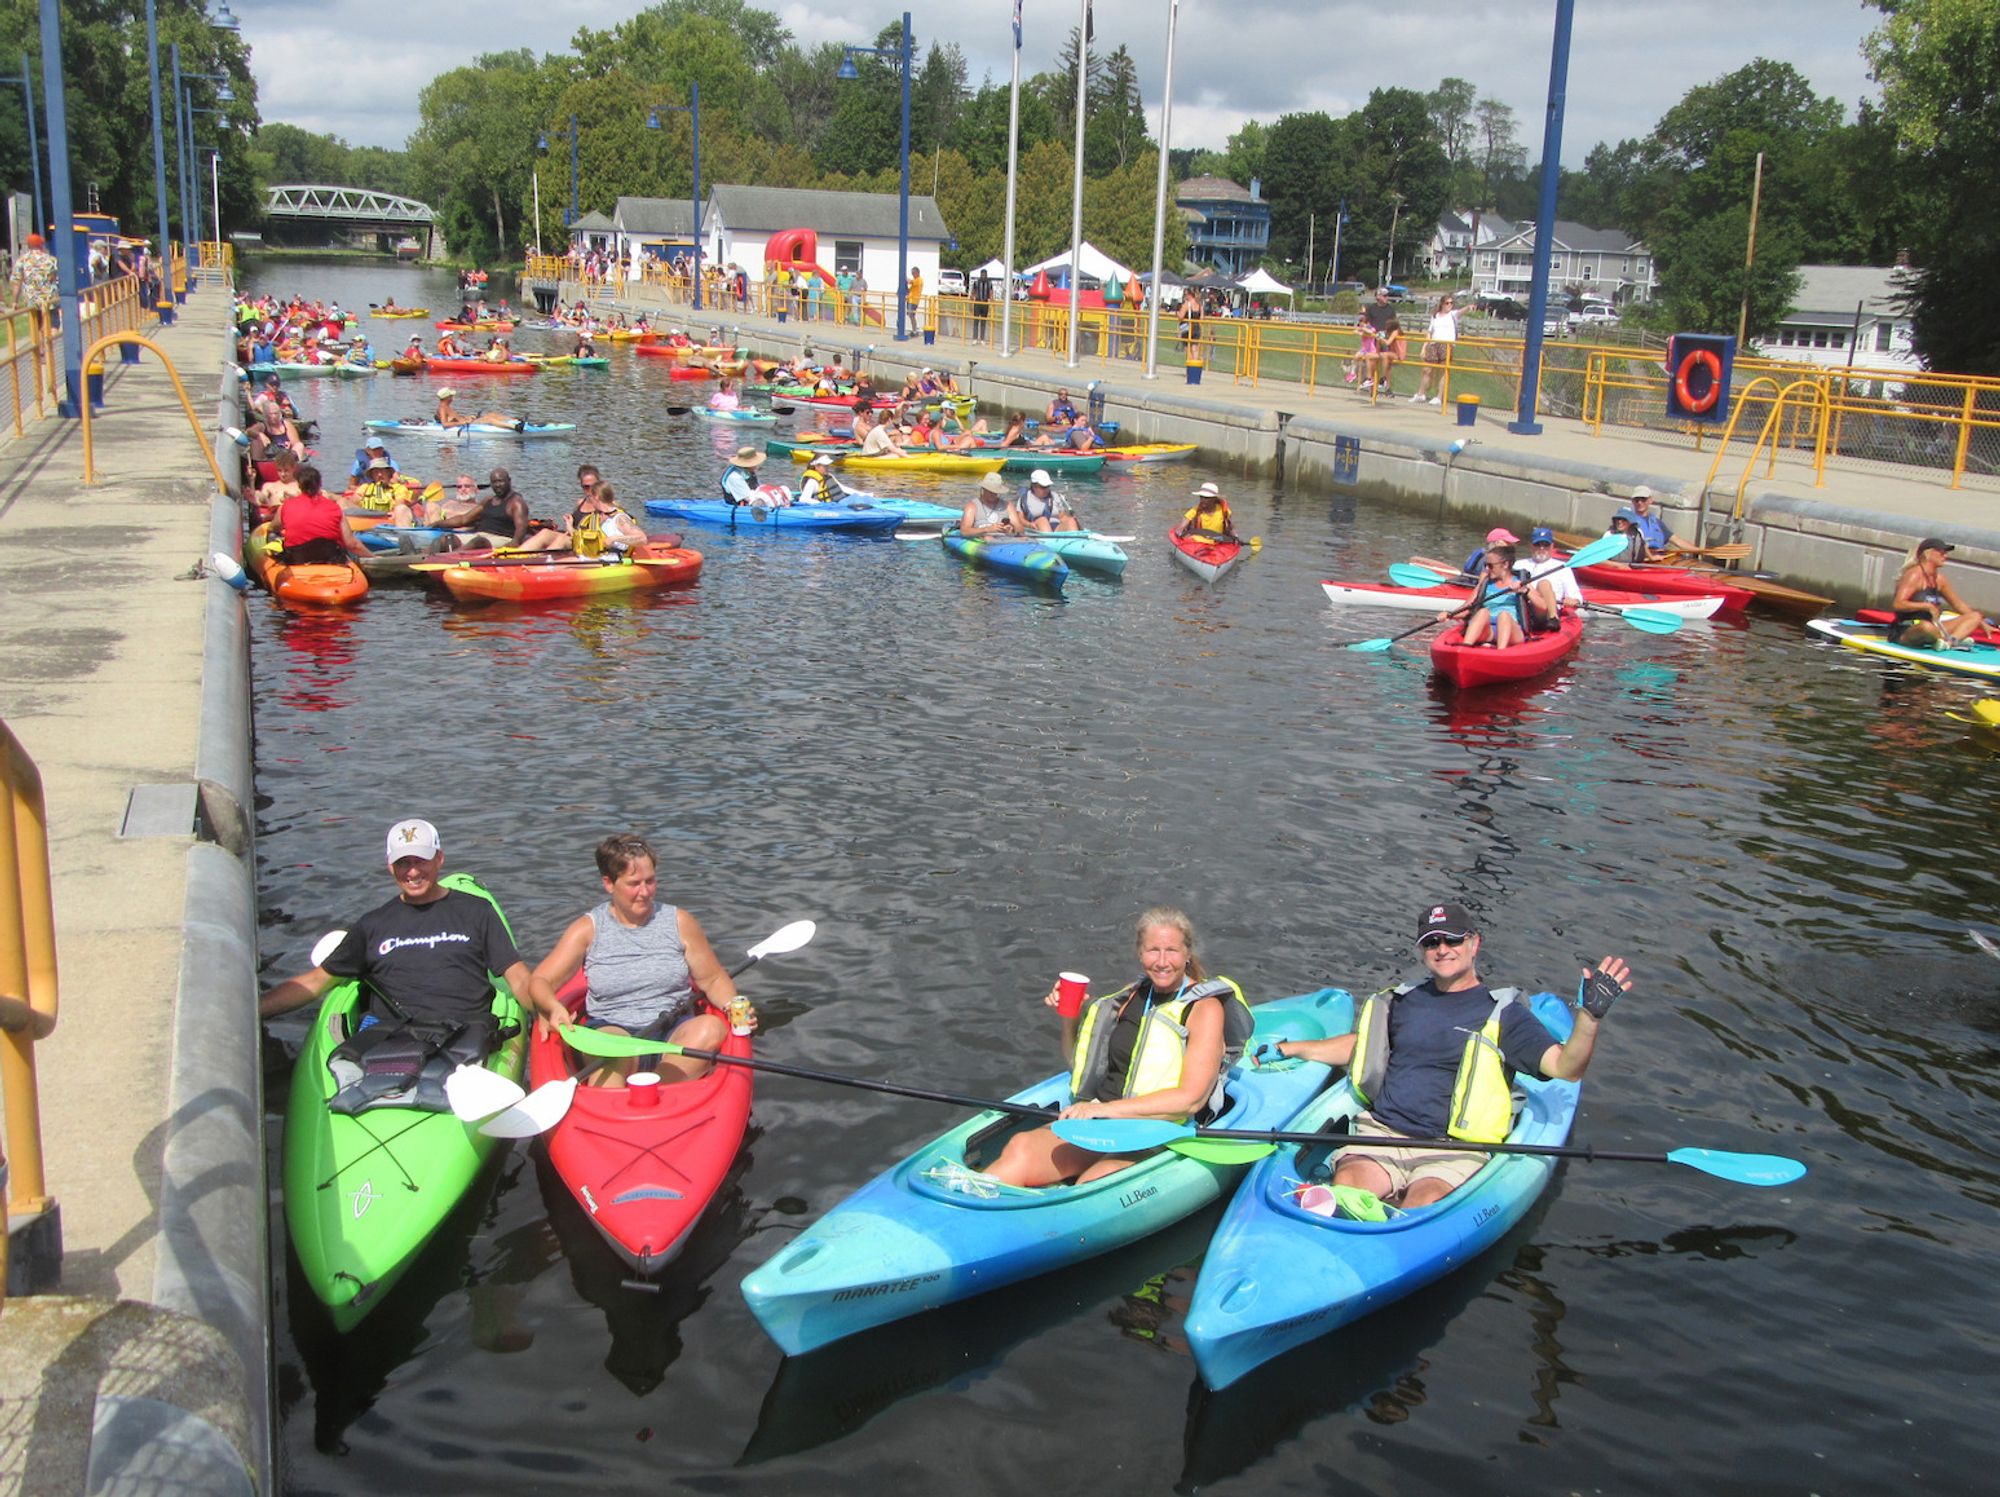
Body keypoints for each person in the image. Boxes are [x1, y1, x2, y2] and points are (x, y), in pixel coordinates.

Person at [1268, 903, 1630, 1212]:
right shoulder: (1404, 1000)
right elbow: (1363, 1046)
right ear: (1422, 950)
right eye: (1431, 942)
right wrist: (1299, 1049)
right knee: (1347, 1189)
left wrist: (1590, 1019)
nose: (1442, 948)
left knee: (1424, 1202)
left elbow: (1566, 1067)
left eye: (1452, 939)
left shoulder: (1504, 1014)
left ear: (1474, 944)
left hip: (1453, 1151)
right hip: (1382, 1135)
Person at [985, 908, 1252, 1187]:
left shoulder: (1204, 1009)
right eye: (1153, 950)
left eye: (1171, 950)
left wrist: (1107, 1110)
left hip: (1158, 1129)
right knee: (1022, 1146)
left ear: (1187, 954)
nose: (1162, 961)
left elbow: (1191, 1099)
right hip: (1104, 1118)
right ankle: (965, 1208)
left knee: (1093, 1182)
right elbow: (1079, 1066)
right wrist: (1070, 1017)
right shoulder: (1132, 996)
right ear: (1140, 953)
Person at [258, 820, 537, 1069]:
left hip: (465, 1035)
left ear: (439, 859)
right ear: (390, 865)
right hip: (392, 1038)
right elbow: (316, 981)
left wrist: (547, 1012)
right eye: (403, 863)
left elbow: (519, 979)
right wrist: (253, 1010)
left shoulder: (477, 913)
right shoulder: (373, 925)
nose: (412, 872)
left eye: (421, 860)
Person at [527, 833, 755, 1086]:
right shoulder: (587, 929)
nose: (645, 892)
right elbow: (540, 980)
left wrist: (732, 1007)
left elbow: (712, 979)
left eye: (651, 881)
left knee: (712, 1027)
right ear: (609, 883)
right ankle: (614, 1100)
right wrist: (552, 1007)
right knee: (614, 1053)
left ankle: (654, 1088)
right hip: (612, 1030)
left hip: (673, 1031)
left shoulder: (679, 922)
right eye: (634, 883)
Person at [1888, 537, 1990, 648]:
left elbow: (1958, 604)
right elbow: (1898, 604)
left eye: (1945, 553)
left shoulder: (1939, 579)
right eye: (1941, 553)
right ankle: (1945, 639)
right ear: (1927, 554)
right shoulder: (1913, 575)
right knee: (1926, 627)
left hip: (1933, 626)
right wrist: (1927, 606)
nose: (1945, 556)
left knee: (1975, 616)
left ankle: (1950, 642)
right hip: (1907, 630)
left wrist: (1981, 622)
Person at [273, 466, 368, 566]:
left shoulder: (286, 506)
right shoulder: (335, 508)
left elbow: (273, 527)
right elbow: (352, 544)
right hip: (330, 558)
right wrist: (372, 557)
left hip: (297, 559)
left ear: (299, 485)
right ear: (320, 484)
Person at [1442, 544, 1531, 648]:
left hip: (1512, 631)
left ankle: (1501, 653)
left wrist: (1525, 590)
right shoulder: (1485, 584)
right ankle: (1465, 647)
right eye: (1485, 565)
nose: (1487, 569)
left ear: (1505, 564)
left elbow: (1542, 606)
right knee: (1482, 612)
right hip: (1489, 630)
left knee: (1504, 616)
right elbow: (1467, 608)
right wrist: (1449, 615)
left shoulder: (1521, 582)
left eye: (1490, 565)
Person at [1516, 527, 1583, 630]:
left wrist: (1575, 601)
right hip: (1523, 610)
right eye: (1537, 544)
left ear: (1552, 546)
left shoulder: (1563, 567)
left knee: (1544, 583)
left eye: (1545, 545)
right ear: (1531, 546)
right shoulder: (1519, 565)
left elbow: (1575, 595)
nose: (1541, 548)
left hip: (1545, 613)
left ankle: (1553, 618)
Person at [565, 481, 647, 558]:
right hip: (593, 558)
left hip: (611, 561)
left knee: (564, 566)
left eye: (590, 497)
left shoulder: (619, 518)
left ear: (596, 497)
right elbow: (583, 539)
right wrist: (570, 527)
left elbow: (642, 539)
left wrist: (615, 538)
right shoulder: (594, 518)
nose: (589, 501)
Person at [1410, 294, 1465, 405]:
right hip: (1433, 344)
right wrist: (1424, 347)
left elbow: (1460, 312)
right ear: (1442, 304)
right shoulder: (1435, 316)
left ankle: (1439, 397)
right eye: (1447, 303)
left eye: (1451, 303)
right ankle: (1421, 394)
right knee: (1427, 370)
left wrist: (1468, 307)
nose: (1449, 305)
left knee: (1443, 371)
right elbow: (1430, 332)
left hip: (1446, 344)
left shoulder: (1453, 315)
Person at [1361, 288, 1406, 395]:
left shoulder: (1390, 309)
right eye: (1384, 296)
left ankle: (1387, 387)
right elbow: (1365, 322)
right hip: (1375, 338)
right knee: (1373, 360)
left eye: (1387, 296)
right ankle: (1372, 386)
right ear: (1378, 297)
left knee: (1387, 362)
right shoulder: (1371, 308)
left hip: (1386, 337)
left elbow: (1395, 324)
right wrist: (1368, 331)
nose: (1386, 298)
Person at [6, 233, 59, 319]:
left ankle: (40, 332)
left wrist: (15, 301)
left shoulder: (22, 260)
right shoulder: (51, 259)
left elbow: (17, 282)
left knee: (36, 326)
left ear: (28, 245)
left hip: (32, 300)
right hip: (49, 299)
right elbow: (55, 278)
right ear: (41, 245)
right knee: (53, 325)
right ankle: (51, 332)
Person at [960, 471, 1023, 537]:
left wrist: (1011, 530)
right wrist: (987, 529)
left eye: (995, 492)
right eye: (990, 491)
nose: (993, 494)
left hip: (1005, 539)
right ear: (984, 489)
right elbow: (964, 531)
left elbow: (1020, 529)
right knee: (988, 537)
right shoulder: (972, 506)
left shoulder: (1008, 506)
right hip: (983, 540)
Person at [1626, 488, 1686, 557]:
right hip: (1641, 559)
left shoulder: (1656, 522)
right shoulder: (1628, 522)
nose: (1640, 502)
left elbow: (1677, 540)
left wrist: (1698, 550)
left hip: (1659, 558)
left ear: (1650, 500)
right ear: (1633, 501)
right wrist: (1650, 557)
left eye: (1643, 499)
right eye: (1637, 500)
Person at [1175, 482, 1239, 542]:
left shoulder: (1224, 511)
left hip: (1218, 542)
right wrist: (1180, 533)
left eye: (1206, 498)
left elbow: (1231, 528)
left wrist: (1235, 537)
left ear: (1214, 499)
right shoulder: (1194, 511)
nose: (1202, 500)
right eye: (1201, 497)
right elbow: (1181, 527)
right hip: (1198, 542)